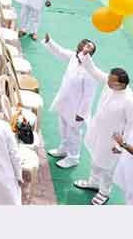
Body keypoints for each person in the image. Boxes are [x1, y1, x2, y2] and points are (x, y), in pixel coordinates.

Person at [73, 55, 133, 205]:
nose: (106, 81)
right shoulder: (110, 85)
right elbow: (94, 71)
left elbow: (131, 125)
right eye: (108, 78)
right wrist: (85, 54)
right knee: (95, 160)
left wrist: (120, 145)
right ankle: (93, 183)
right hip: (98, 132)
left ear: (120, 84)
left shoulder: (130, 100)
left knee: (107, 167)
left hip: (111, 140)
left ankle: (104, 192)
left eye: (110, 80)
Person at [36, 34, 98, 169]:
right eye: (83, 44)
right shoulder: (73, 58)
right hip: (65, 102)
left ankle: (73, 157)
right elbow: (60, 51)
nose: (84, 47)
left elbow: (89, 96)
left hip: (76, 109)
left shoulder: (90, 71)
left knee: (74, 133)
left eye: (88, 47)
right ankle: (63, 149)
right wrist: (50, 42)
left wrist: (81, 113)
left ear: (90, 54)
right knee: (63, 127)